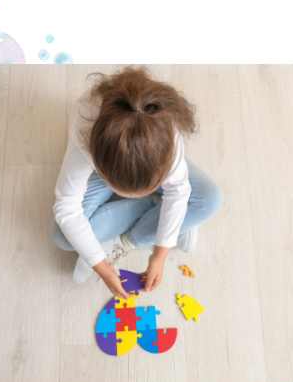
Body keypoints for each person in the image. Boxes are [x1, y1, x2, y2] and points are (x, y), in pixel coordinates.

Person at [51, 65, 223, 300]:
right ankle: (165, 212)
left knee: (211, 198)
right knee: (62, 237)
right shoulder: (85, 134)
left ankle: (133, 236)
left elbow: (179, 189)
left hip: (154, 154)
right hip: (107, 155)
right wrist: (101, 267)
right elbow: (66, 207)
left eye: (153, 187)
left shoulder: (169, 134)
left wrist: (159, 255)